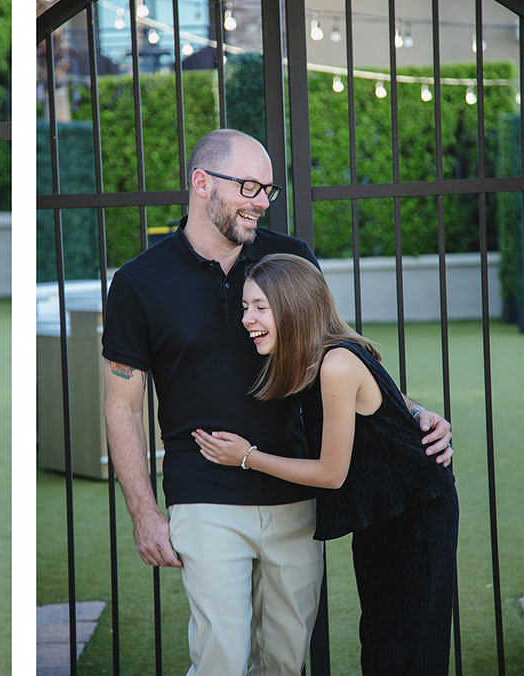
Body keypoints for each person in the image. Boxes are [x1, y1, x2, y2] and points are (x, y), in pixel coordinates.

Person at [101, 128, 453, 675]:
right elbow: (121, 406)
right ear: (201, 183)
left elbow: (335, 349)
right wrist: (144, 513)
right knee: (222, 656)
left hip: (298, 495)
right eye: (248, 186)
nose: (262, 202)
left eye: (268, 190)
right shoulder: (137, 284)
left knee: (287, 661)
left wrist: (409, 413)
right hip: (205, 494)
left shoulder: (290, 257)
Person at [193, 253, 458, 675]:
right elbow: (396, 402)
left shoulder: (335, 362)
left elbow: (331, 474)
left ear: (294, 305)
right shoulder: (309, 359)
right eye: (245, 307)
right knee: (381, 637)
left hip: (416, 509)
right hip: (380, 512)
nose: (247, 318)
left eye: (261, 307)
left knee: (406, 645)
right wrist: (422, 411)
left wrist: (245, 457)